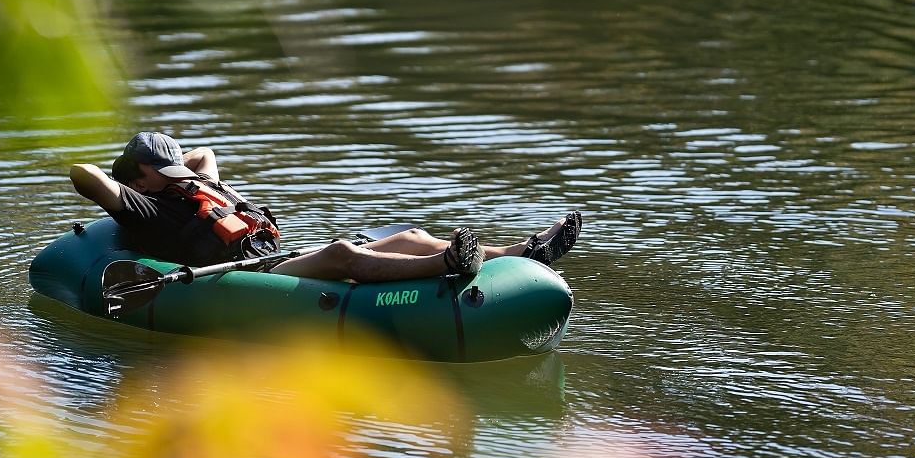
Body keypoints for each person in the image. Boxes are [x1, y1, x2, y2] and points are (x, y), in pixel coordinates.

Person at [69, 131, 582, 282]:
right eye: (167, 172)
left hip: (268, 260)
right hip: (245, 279)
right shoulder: (142, 208)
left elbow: (205, 155)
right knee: (341, 251)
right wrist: (136, 176)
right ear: (139, 179)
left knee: (408, 234)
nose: (186, 176)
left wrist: (174, 166)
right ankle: (449, 263)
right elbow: (84, 176)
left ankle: (521, 252)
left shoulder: (189, 184)